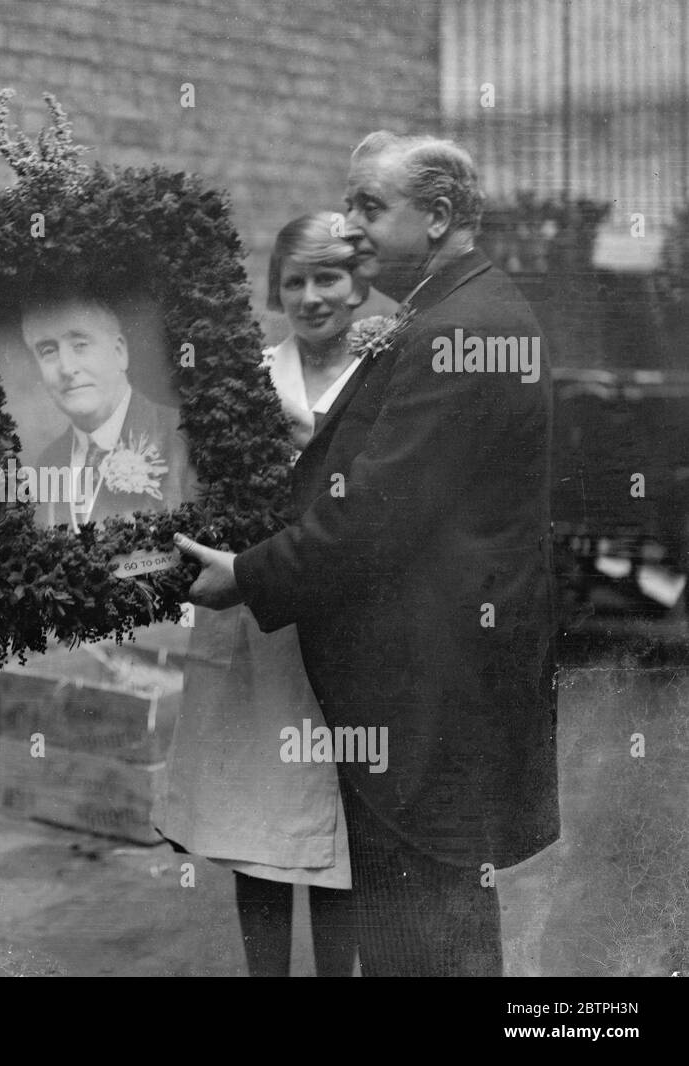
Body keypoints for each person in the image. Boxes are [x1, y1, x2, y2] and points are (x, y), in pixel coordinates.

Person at [176, 131, 559, 977]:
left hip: (430, 695)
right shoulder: (451, 312)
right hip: (431, 685)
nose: (349, 227)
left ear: (440, 216)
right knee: (425, 929)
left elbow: (374, 514)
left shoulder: (461, 329)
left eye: (369, 208)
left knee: (424, 936)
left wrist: (245, 574)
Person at [158, 213, 363, 977]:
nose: (312, 297)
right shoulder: (247, 380)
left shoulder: (383, 376)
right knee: (259, 829)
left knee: (340, 838)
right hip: (253, 628)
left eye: (329, 278)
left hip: (341, 633)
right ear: (275, 291)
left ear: (359, 283)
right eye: (295, 282)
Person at [21, 291, 192, 527]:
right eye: (48, 351)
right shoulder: (48, 462)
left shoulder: (183, 436)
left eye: (80, 344)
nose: (67, 368)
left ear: (119, 352)